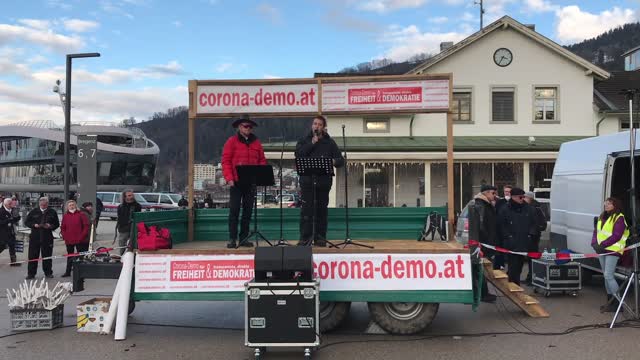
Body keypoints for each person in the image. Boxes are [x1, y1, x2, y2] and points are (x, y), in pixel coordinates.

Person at [295, 115, 344, 247]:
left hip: (323, 182)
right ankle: (305, 238)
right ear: (312, 125)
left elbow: (340, 160)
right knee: (307, 210)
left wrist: (334, 161)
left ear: (323, 127)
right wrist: (312, 143)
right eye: (315, 124)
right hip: (307, 182)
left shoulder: (329, 142)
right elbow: (298, 154)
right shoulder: (305, 140)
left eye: (319, 124)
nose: (316, 126)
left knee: (321, 211)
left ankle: (320, 238)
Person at [221, 115, 267, 248]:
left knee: (248, 212)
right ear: (240, 127)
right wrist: (229, 178)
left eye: (250, 126)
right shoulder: (231, 141)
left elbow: (262, 160)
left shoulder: (257, 143)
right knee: (234, 211)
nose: (248, 128)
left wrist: (261, 174)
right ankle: (232, 238)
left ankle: (244, 238)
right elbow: (226, 161)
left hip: (251, 182)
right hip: (235, 182)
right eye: (246, 126)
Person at [592, 197, 628, 312]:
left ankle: (618, 304)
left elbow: (617, 235)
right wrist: (594, 243)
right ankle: (610, 302)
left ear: (615, 205)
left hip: (612, 250)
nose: (606, 205)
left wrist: (602, 244)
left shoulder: (619, 218)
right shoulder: (602, 216)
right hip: (602, 250)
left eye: (609, 204)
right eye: (605, 203)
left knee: (608, 275)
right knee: (606, 276)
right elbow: (596, 232)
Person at [497, 187, 537, 285]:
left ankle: (515, 283)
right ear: (513, 197)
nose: (522, 199)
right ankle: (514, 285)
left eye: (523, 197)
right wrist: (508, 237)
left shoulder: (528, 209)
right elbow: (501, 225)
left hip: (524, 243)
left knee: (520, 266)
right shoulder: (505, 209)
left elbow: (534, 223)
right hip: (511, 244)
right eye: (520, 197)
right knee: (513, 266)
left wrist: (530, 235)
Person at [472, 185, 499, 302]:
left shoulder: (486, 205)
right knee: (481, 270)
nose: (495, 195)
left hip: (486, 243)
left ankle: (483, 293)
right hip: (484, 244)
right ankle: (483, 294)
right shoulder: (481, 206)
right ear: (486, 193)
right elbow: (481, 226)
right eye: (493, 193)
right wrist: (484, 242)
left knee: (481, 270)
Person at [25, 197, 59, 279]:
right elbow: (27, 222)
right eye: (42, 204)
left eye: (45, 204)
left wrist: (50, 226)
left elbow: (56, 224)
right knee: (32, 256)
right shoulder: (34, 211)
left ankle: (48, 273)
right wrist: (34, 225)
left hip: (47, 237)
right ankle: (31, 274)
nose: (43, 206)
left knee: (47, 256)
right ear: (39, 203)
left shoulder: (52, 212)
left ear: (47, 204)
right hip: (35, 237)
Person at [60, 200, 90, 278]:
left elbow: (86, 226)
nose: (72, 206)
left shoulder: (81, 214)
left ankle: (82, 272)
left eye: (73, 205)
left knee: (81, 256)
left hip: (80, 239)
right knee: (70, 256)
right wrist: (64, 236)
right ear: (67, 207)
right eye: (70, 205)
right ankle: (68, 271)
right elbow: (63, 227)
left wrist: (82, 236)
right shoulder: (66, 216)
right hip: (69, 240)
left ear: (75, 206)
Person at [524, 191, 547, 284]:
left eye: (524, 197)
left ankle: (532, 278)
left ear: (529, 198)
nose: (523, 199)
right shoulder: (532, 207)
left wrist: (533, 232)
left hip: (533, 237)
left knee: (532, 258)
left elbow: (540, 223)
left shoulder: (534, 208)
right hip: (531, 236)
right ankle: (530, 277)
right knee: (530, 258)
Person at [493, 184, 513, 270]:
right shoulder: (500, 202)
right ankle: (500, 265)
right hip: (500, 230)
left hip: (511, 231)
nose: (507, 193)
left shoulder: (514, 203)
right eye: (505, 191)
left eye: (508, 192)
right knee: (499, 249)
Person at [116, 190, 142, 254]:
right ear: (125, 197)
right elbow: (120, 218)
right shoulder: (121, 206)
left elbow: (138, 217)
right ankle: (121, 258)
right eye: (129, 195)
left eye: (132, 195)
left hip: (134, 229)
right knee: (122, 245)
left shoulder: (137, 206)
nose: (131, 197)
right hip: (124, 229)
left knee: (133, 246)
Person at [0, 198, 21, 266]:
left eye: (11, 203)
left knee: (12, 246)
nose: (11, 205)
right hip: (3, 233)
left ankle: (13, 262)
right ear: (5, 204)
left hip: (11, 232)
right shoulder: (1, 211)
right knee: (2, 246)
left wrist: (17, 217)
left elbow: (17, 218)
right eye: (9, 204)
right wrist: (8, 220)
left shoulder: (13, 210)